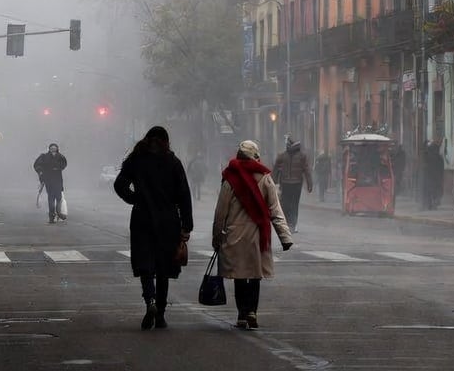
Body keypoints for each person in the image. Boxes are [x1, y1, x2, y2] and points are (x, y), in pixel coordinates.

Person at [113, 126, 194, 330]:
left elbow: (119, 184)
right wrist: (186, 225)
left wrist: (134, 198)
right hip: (168, 220)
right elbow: (184, 194)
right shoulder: (173, 162)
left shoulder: (137, 159)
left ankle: (149, 302)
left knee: (145, 265)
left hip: (142, 218)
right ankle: (161, 313)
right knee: (163, 267)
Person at [213, 139, 293, 330]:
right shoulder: (264, 177)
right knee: (255, 275)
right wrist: (285, 237)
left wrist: (217, 237)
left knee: (240, 276)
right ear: (256, 156)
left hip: (235, 235)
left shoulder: (229, 178)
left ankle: (241, 314)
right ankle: (252, 312)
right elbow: (275, 210)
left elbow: (220, 212)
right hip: (257, 235)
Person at [272, 136, 312, 232]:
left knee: (286, 204)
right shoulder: (302, 156)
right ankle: (292, 224)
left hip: (286, 183)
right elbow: (307, 171)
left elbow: (275, 170)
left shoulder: (282, 156)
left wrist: (274, 182)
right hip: (296, 184)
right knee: (293, 204)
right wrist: (309, 184)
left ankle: (289, 224)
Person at [33, 143, 68, 224]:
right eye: (51, 148)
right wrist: (41, 172)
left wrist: (58, 167)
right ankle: (51, 216)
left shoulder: (60, 157)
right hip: (48, 180)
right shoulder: (44, 156)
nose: (53, 149)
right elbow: (36, 165)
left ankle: (59, 213)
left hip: (58, 179)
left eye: (54, 148)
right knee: (51, 198)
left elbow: (64, 164)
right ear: (49, 149)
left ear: (57, 148)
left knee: (59, 198)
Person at [422, 138, 444, 210]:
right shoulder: (438, 156)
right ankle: (433, 204)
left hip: (430, 175)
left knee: (430, 190)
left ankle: (430, 204)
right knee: (434, 190)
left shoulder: (427, 153)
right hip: (435, 175)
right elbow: (440, 167)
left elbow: (425, 164)